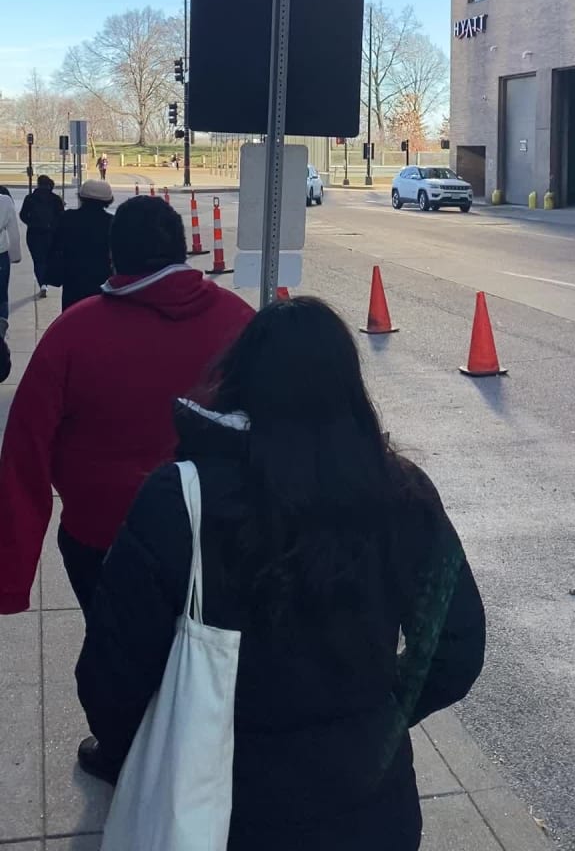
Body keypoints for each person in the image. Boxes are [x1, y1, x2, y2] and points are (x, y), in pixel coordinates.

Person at [75, 298, 486, 851]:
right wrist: (381, 714)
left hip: (221, 811)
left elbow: (111, 675)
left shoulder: (179, 499)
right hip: (372, 813)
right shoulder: (402, 493)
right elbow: (456, 648)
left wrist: (147, 750)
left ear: (239, 379)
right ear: (350, 391)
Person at [0, 196, 254, 618]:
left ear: (113, 257)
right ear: (182, 249)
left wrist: (12, 575)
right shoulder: (241, 321)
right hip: (214, 534)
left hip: (100, 537)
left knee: (112, 646)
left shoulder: (72, 333)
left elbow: (24, 452)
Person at [46, 178, 114, 311]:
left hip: (72, 279)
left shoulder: (67, 218)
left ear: (81, 197)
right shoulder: (112, 222)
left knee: (72, 316)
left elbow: (54, 246)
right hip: (102, 281)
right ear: (108, 200)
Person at [20, 174, 64, 298]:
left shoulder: (30, 198)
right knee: (49, 258)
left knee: (38, 260)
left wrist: (31, 223)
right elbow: (61, 216)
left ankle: (43, 284)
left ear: (38, 184)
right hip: (51, 234)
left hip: (34, 234)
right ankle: (48, 278)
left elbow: (23, 215)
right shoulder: (55, 199)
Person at [0, 186, 21, 324]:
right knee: (1, 293)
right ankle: (2, 322)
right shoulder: (5, 201)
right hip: (1, 253)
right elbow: (13, 231)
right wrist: (15, 255)